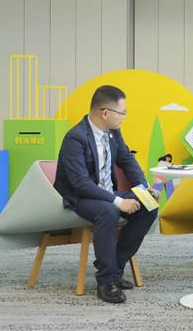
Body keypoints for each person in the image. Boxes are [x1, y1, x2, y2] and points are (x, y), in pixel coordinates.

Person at [54, 85, 159, 303]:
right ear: (105, 113)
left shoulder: (113, 132)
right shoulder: (75, 138)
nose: (124, 117)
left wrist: (142, 189)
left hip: (106, 193)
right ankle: (106, 281)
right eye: (122, 112)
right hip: (80, 197)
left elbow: (127, 159)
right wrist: (118, 201)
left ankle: (114, 266)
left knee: (149, 206)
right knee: (108, 211)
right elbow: (79, 183)